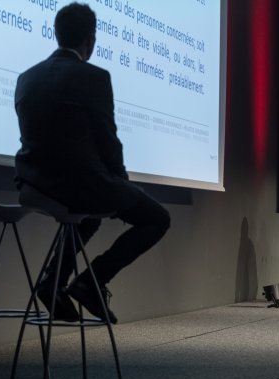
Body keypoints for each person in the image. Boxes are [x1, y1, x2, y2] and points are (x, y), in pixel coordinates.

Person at [14, 2, 170, 323]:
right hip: (76, 187)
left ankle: (53, 282)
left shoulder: (26, 77)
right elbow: (108, 139)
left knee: (89, 216)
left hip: (32, 186)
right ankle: (93, 280)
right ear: (91, 39)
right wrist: (122, 185)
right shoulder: (94, 77)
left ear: (57, 34)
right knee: (157, 219)